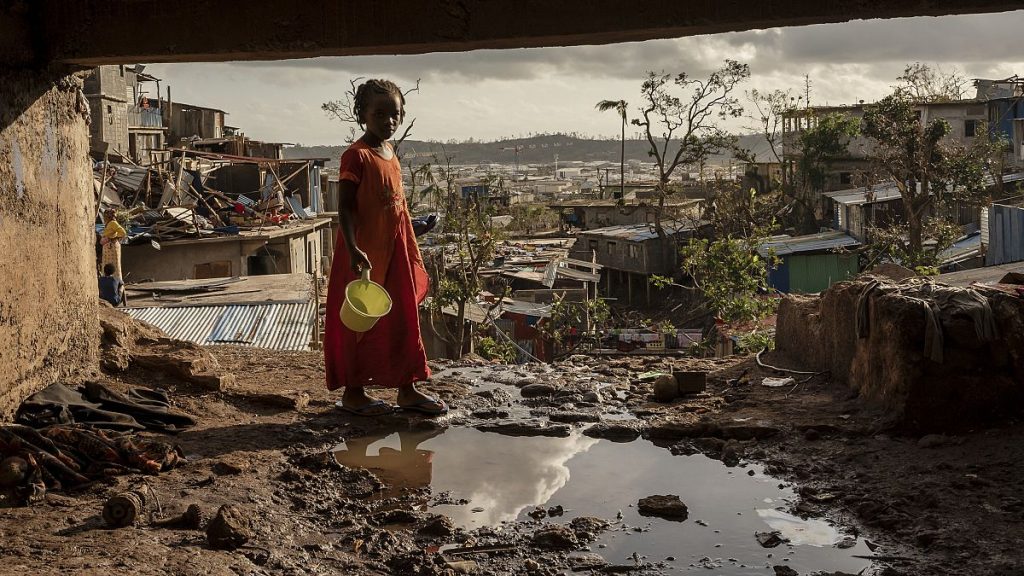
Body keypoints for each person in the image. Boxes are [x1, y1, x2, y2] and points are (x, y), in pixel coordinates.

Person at [324, 79, 448, 417]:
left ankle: (407, 389)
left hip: (394, 251)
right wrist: (352, 248)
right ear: (362, 114)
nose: (388, 122)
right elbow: (346, 208)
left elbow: (394, 205)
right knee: (359, 325)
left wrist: (414, 230)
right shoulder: (356, 156)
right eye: (379, 114)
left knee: (403, 319)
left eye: (394, 115)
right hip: (363, 255)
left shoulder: (390, 153)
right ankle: (353, 393)